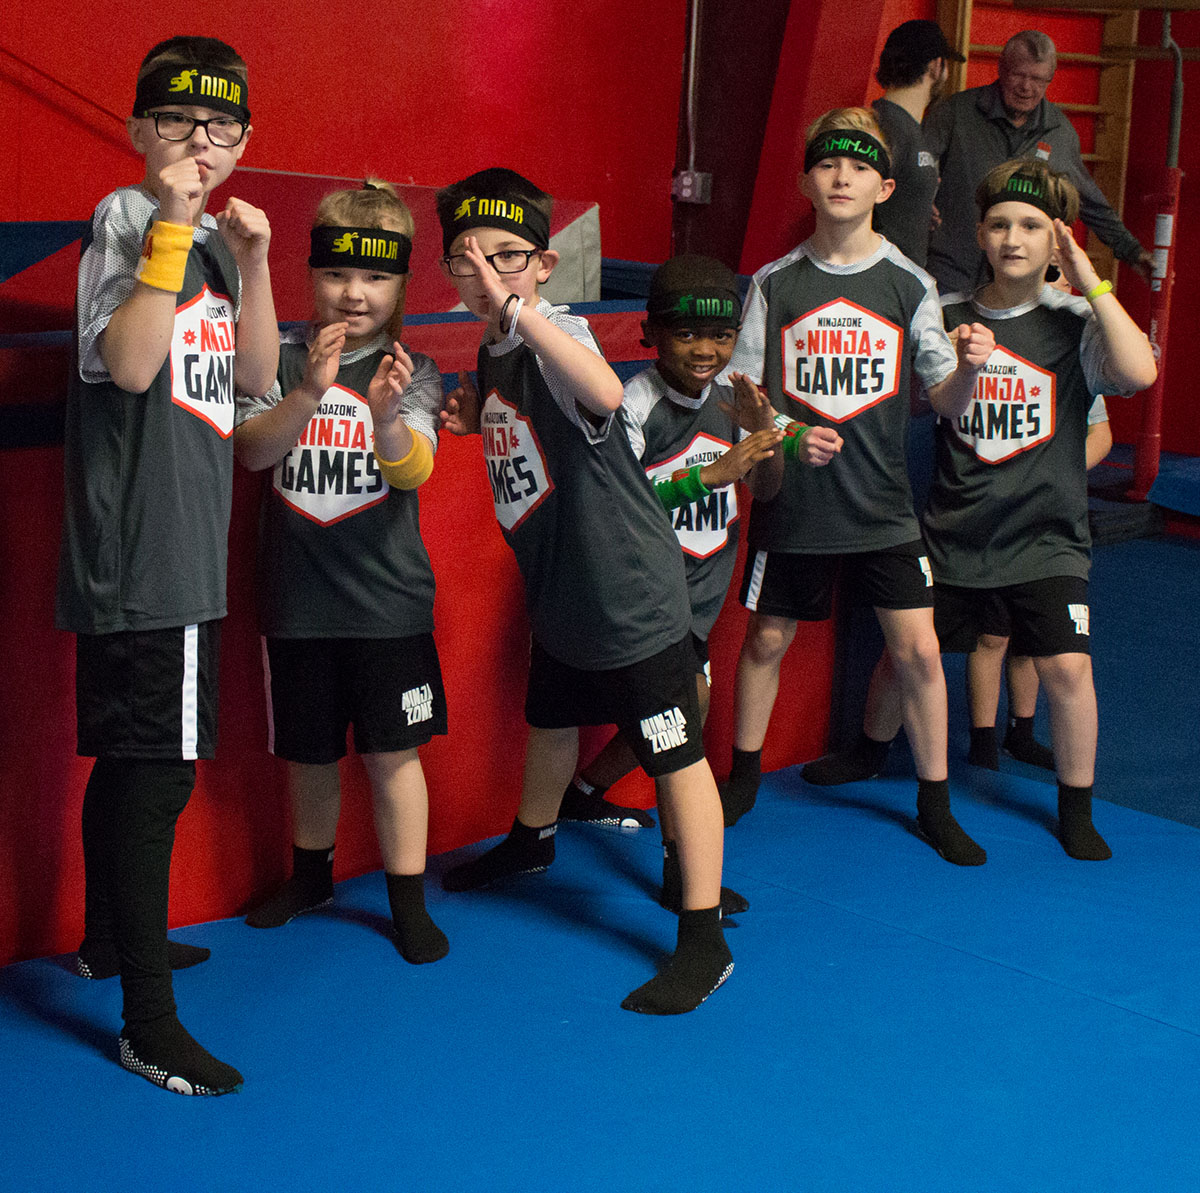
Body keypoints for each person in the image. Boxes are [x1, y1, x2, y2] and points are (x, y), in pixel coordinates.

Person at [436, 168, 734, 1014]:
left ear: (544, 264)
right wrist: (471, 421)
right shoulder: (495, 349)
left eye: (507, 259)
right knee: (551, 720)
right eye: (467, 261)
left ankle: (703, 937)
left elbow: (601, 390)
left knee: (676, 756)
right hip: (562, 587)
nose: (486, 277)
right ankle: (532, 841)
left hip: (630, 592)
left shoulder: (548, 327)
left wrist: (517, 309)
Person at [820, 160, 1155, 860]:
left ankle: (1076, 807)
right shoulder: (948, 315)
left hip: (1048, 536)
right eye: (1000, 224)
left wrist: (1090, 279)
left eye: (1031, 226)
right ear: (979, 232)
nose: (1013, 238)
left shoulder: (1073, 322)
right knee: (905, 654)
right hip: (957, 528)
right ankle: (870, 751)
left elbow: (1140, 371)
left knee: (1068, 669)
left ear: (1054, 239)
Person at [56, 36, 277, 1095]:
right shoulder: (129, 218)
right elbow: (135, 360)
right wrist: (178, 220)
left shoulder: (221, 248)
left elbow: (256, 382)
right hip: (145, 553)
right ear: (140, 128)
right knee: (158, 776)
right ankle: (148, 1018)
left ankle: (106, 939)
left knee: (135, 764)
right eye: (180, 120)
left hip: (181, 543)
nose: (201, 141)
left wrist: (262, 259)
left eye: (222, 125)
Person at [718, 108, 995, 867]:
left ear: (885, 185)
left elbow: (943, 399)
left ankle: (934, 799)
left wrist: (970, 369)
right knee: (766, 638)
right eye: (829, 164)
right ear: (808, 180)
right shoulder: (777, 282)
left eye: (859, 165)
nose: (843, 176)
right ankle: (742, 776)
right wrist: (793, 434)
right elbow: (742, 395)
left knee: (920, 651)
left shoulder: (910, 281)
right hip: (795, 504)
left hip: (881, 506)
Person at [234, 181, 448, 965]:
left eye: (375, 278)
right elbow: (254, 449)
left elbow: (413, 470)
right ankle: (311, 875)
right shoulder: (275, 352)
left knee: (394, 756)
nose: (354, 293)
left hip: (387, 604)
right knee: (310, 753)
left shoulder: (413, 366)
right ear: (312, 274)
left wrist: (386, 416)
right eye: (336, 274)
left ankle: (408, 899)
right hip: (296, 601)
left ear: (399, 286)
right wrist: (308, 393)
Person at [557, 254, 784, 915]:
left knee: (677, 717)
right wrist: (711, 476)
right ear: (651, 333)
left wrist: (763, 434)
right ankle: (682, 875)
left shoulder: (732, 399)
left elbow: (766, 488)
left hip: (701, 597)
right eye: (687, 334)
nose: (706, 350)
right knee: (686, 715)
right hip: (647, 594)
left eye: (719, 335)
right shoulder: (633, 405)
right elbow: (608, 507)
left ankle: (586, 792)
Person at [924, 30, 1153, 295]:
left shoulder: (1059, 132)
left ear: (1049, 80)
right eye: (1019, 75)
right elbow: (917, 169)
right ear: (1001, 69)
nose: (1026, 87)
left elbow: (1091, 203)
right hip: (950, 273)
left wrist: (1133, 252)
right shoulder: (955, 112)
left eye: (1037, 79)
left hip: (1017, 286)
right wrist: (923, 200)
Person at [965, 396, 1112, 771]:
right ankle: (982, 743)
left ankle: (1020, 734)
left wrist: (1053, 473)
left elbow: (1101, 434)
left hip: (1047, 522)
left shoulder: (1071, 357)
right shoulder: (979, 351)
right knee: (991, 634)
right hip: (988, 514)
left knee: (1032, 639)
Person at [871, 19, 963, 267]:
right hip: (884, 284)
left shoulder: (899, 125)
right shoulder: (884, 127)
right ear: (936, 66)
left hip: (901, 281)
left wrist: (917, 208)